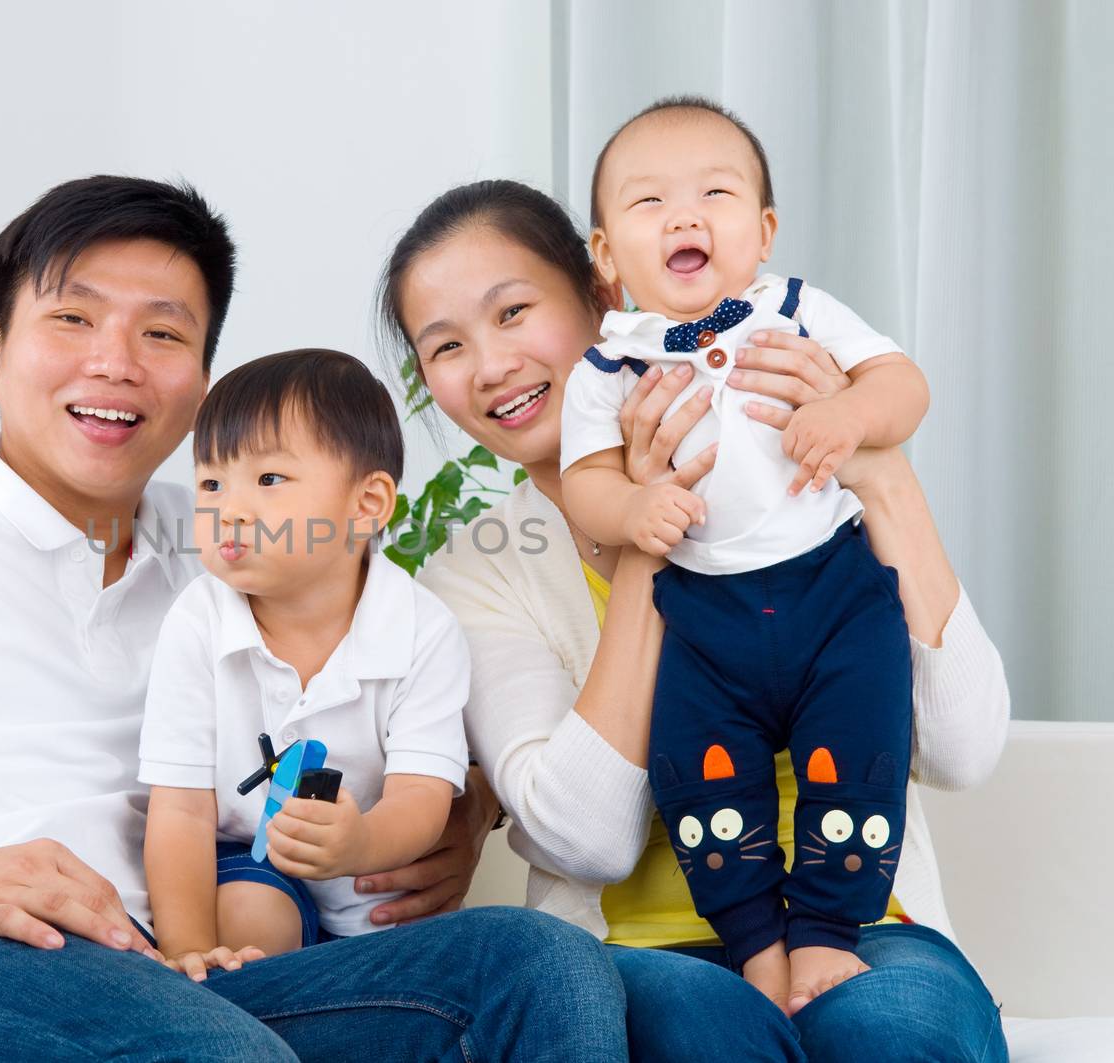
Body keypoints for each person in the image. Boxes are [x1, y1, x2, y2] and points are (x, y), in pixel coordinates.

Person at [0, 175, 627, 1062]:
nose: (114, 362)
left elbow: (406, 658)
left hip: (169, 970)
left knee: (537, 965)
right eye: (71, 318)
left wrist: (455, 814)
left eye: (162, 334)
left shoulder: (231, 547)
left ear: (201, 385)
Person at [376, 176, 1008, 1061]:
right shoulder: (477, 563)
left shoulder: (795, 450)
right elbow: (583, 836)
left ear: (604, 291)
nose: (489, 366)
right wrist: (644, 530)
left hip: (865, 925)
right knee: (710, 1032)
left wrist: (880, 468)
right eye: (444, 348)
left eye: (514, 311)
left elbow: (963, 749)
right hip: (634, 953)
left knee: (889, 1031)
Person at [561, 95, 931, 1008]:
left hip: (833, 593)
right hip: (703, 614)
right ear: (607, 257)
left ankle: (825, 932)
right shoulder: (607, 368)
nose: (685, 216)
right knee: (698, 773)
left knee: (857, 752)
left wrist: (848, 412)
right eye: (648, 204)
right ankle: (756, 940)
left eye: (715, 194)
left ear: (763, 231)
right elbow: (587, 483)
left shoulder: (797, 312)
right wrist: (633, 506)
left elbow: (903, 384)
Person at [140, 349, 469, 978]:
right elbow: (180, 808)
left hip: (374, 890)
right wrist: (184, 952)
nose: (227, 509)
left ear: (367, 503)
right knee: (249, 917)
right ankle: (233, 1004)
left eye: (268, 480)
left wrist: (361, 843)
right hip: (247, 860)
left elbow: (422, 795)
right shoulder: (198, 619)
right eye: (211, 483)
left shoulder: (424, 629)